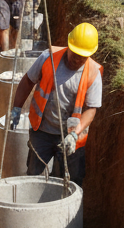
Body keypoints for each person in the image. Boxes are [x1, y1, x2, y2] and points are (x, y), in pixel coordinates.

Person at [8, 23, 102, 187]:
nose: (77, 59)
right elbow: (27, 81)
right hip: (42, 132)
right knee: (34, 177)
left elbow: (91, 110)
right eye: (75, 53)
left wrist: (74, 134)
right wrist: (16, 108)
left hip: (71, 137)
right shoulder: (48, 58)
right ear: (69, 45)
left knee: (70, 181)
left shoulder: (93, 72)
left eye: (83, 56)